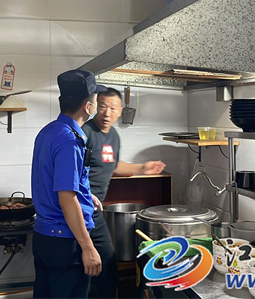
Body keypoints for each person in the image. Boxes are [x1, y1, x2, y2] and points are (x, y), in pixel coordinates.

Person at [82, 87, 166, 299]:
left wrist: (142, 168)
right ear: (95, 107)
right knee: (89, 266)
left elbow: (113, 165)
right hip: (79, 208)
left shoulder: (113, 137)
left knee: (106, 266)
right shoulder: (85, 133)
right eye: (102, 106)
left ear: (120, 111)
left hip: (94, 211)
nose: (107, 113)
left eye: (112, 108)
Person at [31, 69, 107, 299]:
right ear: (87, 106)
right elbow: (66, 198)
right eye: (96, 100)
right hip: (65, 242)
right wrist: (88, 248)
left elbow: (52, 180)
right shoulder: (70, 140)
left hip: (44, 237)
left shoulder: (50, 131)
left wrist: (85, 195)